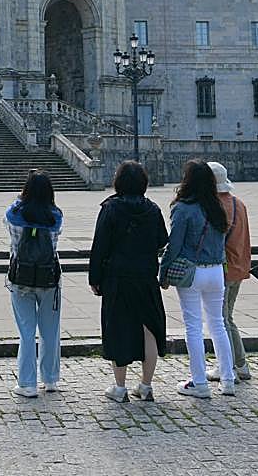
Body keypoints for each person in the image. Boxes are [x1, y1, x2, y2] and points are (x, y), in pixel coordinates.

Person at [89, 160, 169, 403]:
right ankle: (146, 385)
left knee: (118, 329)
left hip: (117, 277)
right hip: (145, 277)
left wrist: (95, 278)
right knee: (149, 330)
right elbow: (161, 240)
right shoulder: (152, 209)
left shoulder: (110, 209)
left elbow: (99, 247)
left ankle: (120, 387)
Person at [159, 159, 236, 398]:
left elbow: (175, 245)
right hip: (216, 271)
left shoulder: (183, 208)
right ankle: (228, 379)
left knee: (193, 326)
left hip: (192, 271)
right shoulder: (218, 207)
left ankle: (200, 382)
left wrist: (164, 272)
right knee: (218, 324)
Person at [4, 170, 64, 397]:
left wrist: (21, 199)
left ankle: (27, 383)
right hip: (49, 276)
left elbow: (10, 232)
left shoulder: (14, 214)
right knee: (50, 330)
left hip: (22, 277)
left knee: (26, 331)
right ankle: (50, 379)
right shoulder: (55, 216)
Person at [205, 161, 251, 383]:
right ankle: (241, 364)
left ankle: (228, 366)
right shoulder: (238, 203)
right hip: (238, 267)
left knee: (221, 320)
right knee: (227, 317)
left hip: (222, 269)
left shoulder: (215, 207)